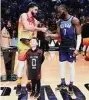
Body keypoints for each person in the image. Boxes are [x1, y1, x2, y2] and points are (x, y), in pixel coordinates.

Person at [46, 4, 81, 94]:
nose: (58, 14)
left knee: (71, 66)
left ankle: (71, 85)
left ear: (64, 10)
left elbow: (79, 35)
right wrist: (50, 35)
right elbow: (58, 35)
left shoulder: (74, 20)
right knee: (61, 65)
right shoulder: (59, 22)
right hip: (62, 46)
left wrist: (77, 49)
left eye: (59, 11)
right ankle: (62, 83)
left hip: (71, 46)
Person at [16, 2, 47, 95]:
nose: (37, 11)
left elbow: (34, 34)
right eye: (35, 9)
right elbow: (26, 26)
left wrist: (34, 43)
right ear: (30, 9)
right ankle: (18, 85)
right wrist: (40, 29)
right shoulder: (23, 15)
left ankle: (29, 83)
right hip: (22, 45)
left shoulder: (35, 21)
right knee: (21, 66)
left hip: (30, 47)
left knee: (30, 67)